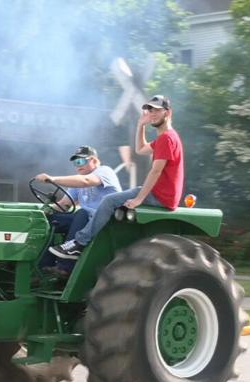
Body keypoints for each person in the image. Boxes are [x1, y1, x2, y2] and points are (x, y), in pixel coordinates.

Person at [49, 95, 184, 260]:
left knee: (109, 201)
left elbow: (156, 171)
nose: (152, 114)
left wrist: (139, 199)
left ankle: (79, 243)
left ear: (168, 113)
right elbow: (141, 149)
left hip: (161, 195)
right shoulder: (166, 138)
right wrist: (140, 125)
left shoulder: (166, 138)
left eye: (156, 110)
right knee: (112, 202)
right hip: (160, 193)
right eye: (150, 110)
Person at [34, 145, 122, 275]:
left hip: (105, 221)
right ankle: (43, 267)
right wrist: (42, 211)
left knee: (81, 213)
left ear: (94, 161)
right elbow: (64, 204)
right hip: (85, 220)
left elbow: (86, 181)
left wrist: (53, 179)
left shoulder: (104, 171)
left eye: (81, 161)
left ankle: (65, 266)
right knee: (47, 221)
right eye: (76, 162)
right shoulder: (77, 182)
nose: (78, 165)